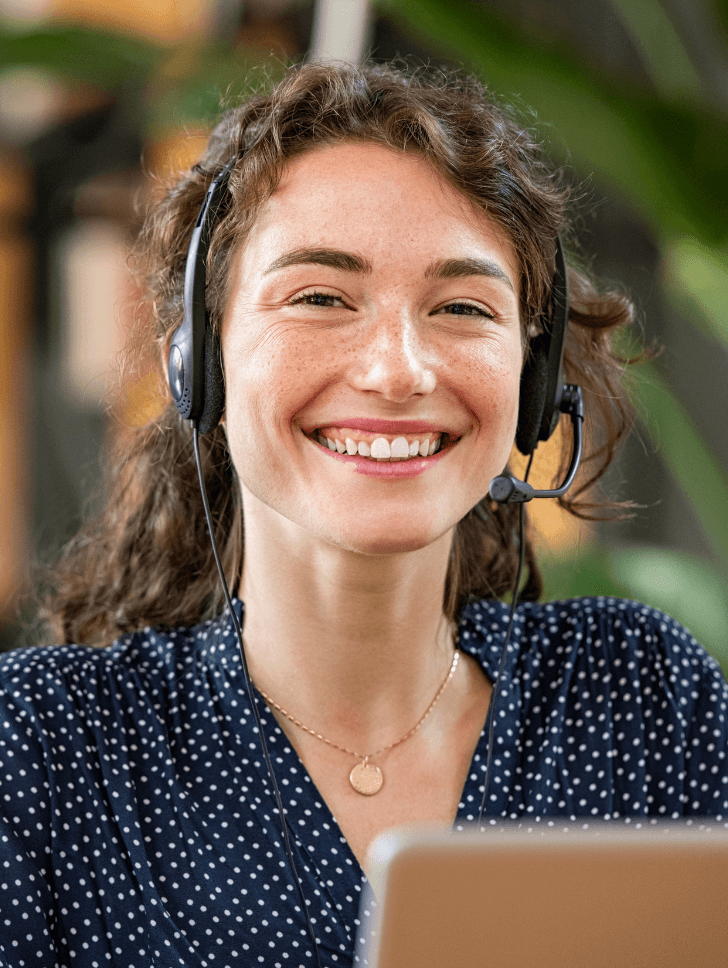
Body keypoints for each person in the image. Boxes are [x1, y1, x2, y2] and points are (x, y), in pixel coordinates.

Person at [1, 62, 726, 968]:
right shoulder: (43, 750)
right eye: (320, 297)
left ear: (532, 385)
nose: (397, 371)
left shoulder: (639, 702)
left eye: (462, 307)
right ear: (198, 366)